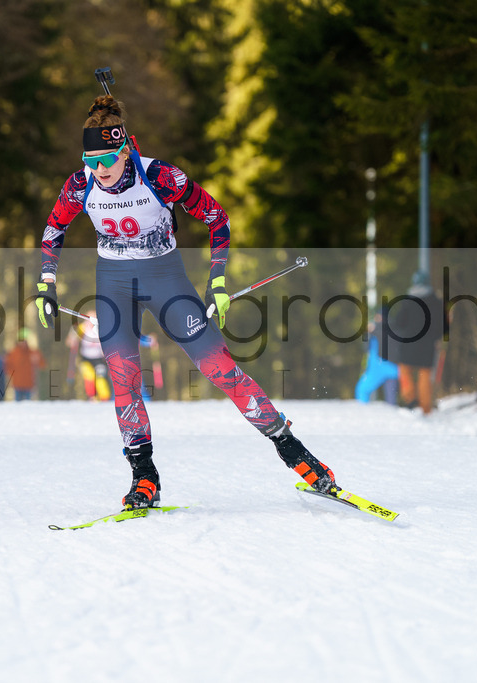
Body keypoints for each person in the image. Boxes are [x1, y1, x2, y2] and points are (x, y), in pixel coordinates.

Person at [33, 94, 338, 509]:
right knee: (123, 378)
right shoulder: (80, 184)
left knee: (219, 368)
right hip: (114, 284)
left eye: (107, 160)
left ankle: (295, 453)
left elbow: (218, 218)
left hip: (166, 279)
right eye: (91, 161)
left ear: (126, 150)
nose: (99, 170)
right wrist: (46, 283)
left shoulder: (159, 176)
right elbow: (54, 229)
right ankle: (144, 477)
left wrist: (216, 279)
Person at [385, 271, 446, 415]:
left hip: (409, 344)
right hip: (428, 344)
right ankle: (425, 408)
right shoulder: (435, 301)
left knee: (405, 370)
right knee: (425, 374)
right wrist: (435, 337)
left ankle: (410, 399)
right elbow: (441, 325)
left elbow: (399, 322)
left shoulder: (407, 301)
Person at [354, 307, 398, 404]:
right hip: (395, 368)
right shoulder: (397, 328)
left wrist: (367, 332)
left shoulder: (375, 328)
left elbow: (366, 347)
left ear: (379, 317)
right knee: (391, 397)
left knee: (362, 390)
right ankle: (393, 413)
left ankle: (363, 411)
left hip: (378, 365)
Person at [66, 312, 112, 401]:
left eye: (95, 318)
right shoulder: (82, 328)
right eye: (90, 318)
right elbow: (69, 342)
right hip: (86, 358)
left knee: (100, 378)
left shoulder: (101, 328)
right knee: (89, 376)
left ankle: (105, 398)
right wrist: (73, 335)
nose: (92, 321)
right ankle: (92, 397)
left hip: (99, 359)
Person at [4, 328, 45, 400]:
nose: (23, 343)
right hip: (17, 384)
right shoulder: (14, 353)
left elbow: (42, 365)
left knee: (28, 406)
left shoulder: (33, 352)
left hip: (29, 384)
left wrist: (37, 359)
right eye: (22, 340)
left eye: (25, 340)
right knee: (18, 406)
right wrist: (12, 375)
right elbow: (7, 367)